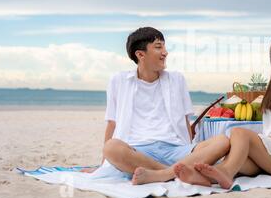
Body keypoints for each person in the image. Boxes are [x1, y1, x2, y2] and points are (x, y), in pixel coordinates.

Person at [83, 27, 230, 186]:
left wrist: (190, 150)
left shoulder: (177, 79)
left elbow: (184, 120)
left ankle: (162, 174)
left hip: (175, 149)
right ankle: (175, 173)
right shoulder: (118, 80)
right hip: (138, 152)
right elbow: (112, 123)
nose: (165, 52)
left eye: (164, 47)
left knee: (222, 141)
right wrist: (103, 165)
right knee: (111, 147)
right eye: (158, 47)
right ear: (140, 54)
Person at [175, 34, 271, 189]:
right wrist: (260, 145)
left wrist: (260, 142)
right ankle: (204, 176)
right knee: (238, 159)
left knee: (239, 133)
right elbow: (269, 128)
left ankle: (225, 172)